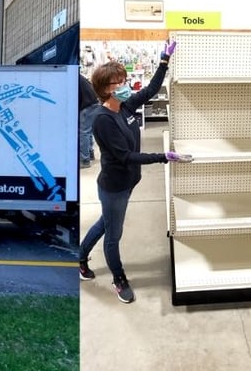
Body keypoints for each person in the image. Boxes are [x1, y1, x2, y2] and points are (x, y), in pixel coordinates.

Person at [78, 40, 192, 304]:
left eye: (124, 79)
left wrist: (164, 60)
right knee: (113, 235)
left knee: (105, 224)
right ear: (105, 89)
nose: (125, 85)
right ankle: (119, 279)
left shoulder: (126, 107)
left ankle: (80, 257)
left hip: (129, 183)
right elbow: (127, 157)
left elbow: (152, 89)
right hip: (114, 187)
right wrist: (164, 157)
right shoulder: (102, 121)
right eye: (118, 82)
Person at [79, 74, 99, 168]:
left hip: (87, 105)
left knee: (83, 132)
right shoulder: (79, 76)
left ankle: (84, 160)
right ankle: (90, 154)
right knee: (88, 131)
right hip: (94, 103)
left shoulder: (72, 77)